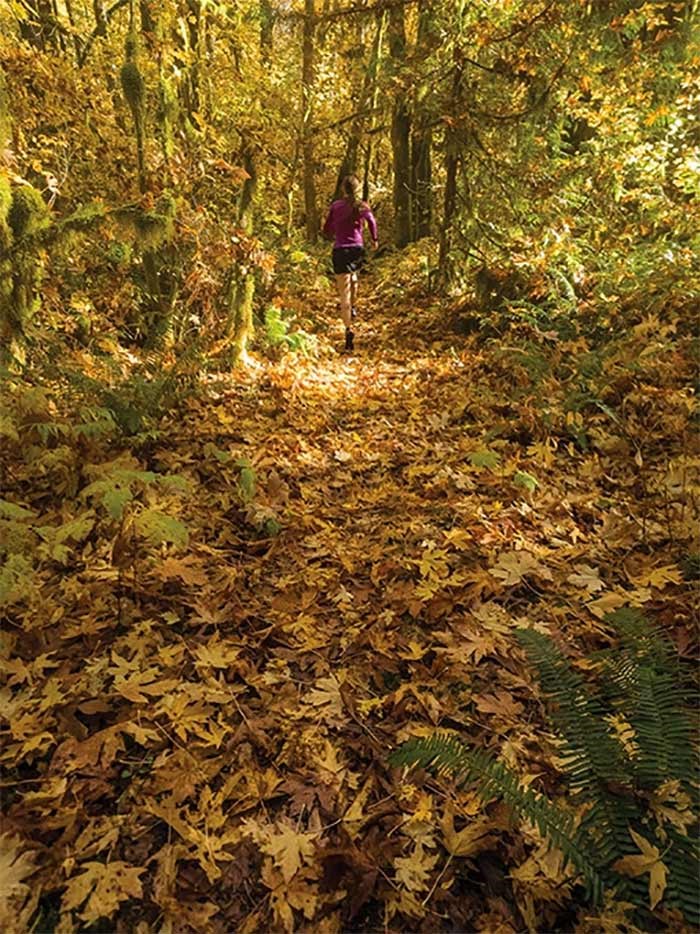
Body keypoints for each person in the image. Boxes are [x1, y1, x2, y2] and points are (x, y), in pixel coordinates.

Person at [322, 175, 378, 352]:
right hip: (356, 249)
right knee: (354, 279)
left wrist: (328, 233)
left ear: (343, 190)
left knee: (343, 293)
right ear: (358, 189)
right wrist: (374, 239)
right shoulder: (362, 206)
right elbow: (372, 221)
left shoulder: (336, 206)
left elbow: (328, 227)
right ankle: (353, 306)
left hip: (340, 250)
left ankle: (348, 330)